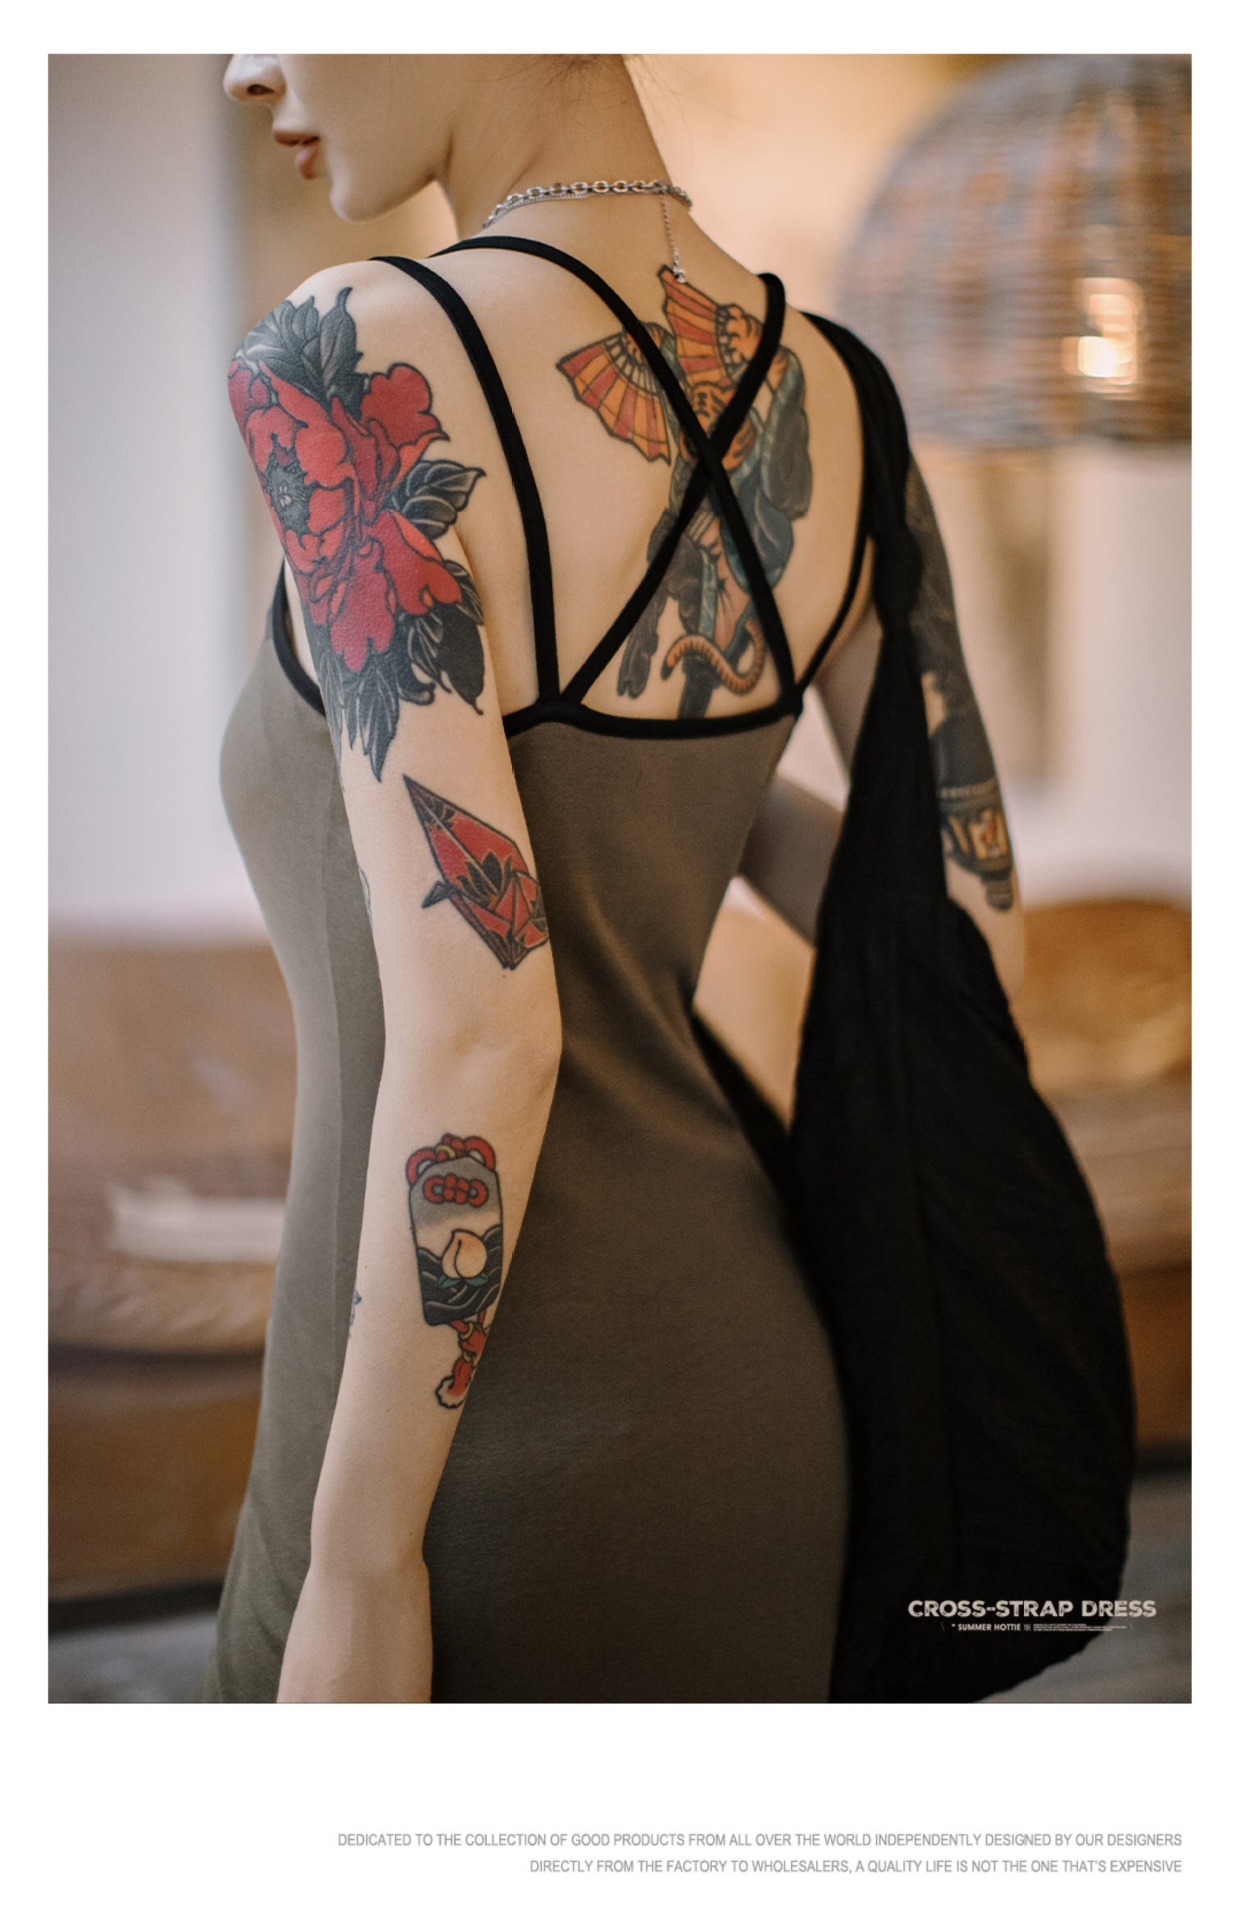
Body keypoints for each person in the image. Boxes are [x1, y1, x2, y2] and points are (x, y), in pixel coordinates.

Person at [203, 53, 1024, 1704]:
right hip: (767, 1419)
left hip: (444, 1471)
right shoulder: (843, 394)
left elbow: (485, 1030)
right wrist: (689, 799)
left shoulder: (351, 351)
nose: (245, 63)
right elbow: (961, 929)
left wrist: (362, 1568)